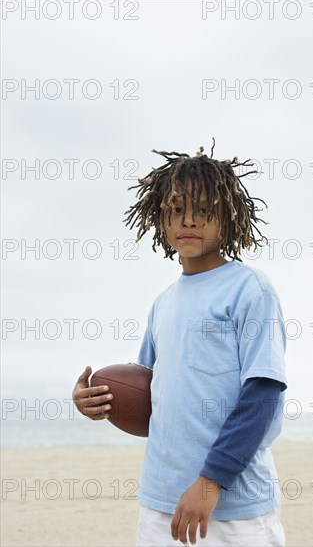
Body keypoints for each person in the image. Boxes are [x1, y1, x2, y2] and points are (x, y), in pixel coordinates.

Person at [72, 139, 288, 547]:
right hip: (160, 501)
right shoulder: (163, 303)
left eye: (204, 208)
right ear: (160, 218)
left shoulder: (250, 289)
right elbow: (150, 400)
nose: (189, 219)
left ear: (229, 218)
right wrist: (99, 400)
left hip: (231, 505)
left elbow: (263, 395)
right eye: (176, 208)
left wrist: (209, 483)